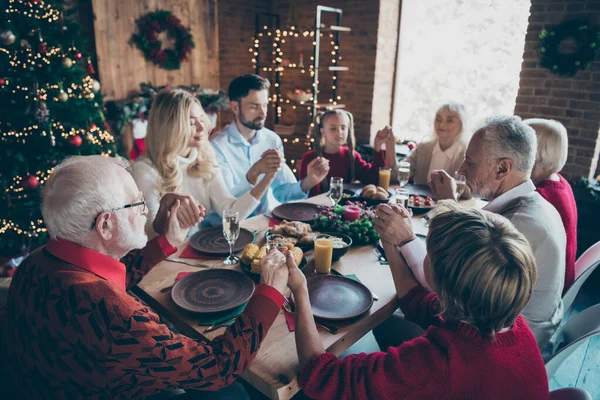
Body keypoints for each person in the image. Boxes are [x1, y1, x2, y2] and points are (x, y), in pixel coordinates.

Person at [1, 155, 291, 399]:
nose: (145, 210)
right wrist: (270, 291)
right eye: (136, 203)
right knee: (235, 394)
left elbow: (102, 286)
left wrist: (168, 241)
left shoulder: (38, 261)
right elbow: (219, 368)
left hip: (44, 383)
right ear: (105, 225)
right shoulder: (118, 316)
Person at [288, 201, 548, 399]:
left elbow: (322, 377)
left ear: (438, 275)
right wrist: (391, 244)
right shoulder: (502, 317)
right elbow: (416, 301)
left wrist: (300, 291)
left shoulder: (438, 365)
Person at [423, 115, 565, 351]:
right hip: (516, 330)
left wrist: (445, 208)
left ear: (502, 168)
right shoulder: (537, 203)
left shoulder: (513, 225)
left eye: (470, 162)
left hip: (505, 348)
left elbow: (439, 279)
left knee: (394, 313)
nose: (460, 169)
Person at [132, 89, 278, 239]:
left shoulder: (204, 156)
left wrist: (267, 178)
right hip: (165, 256)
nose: (202, 128)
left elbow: (230, 210)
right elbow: (149, 233)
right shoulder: (144, 169)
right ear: (169, 127)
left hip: (195, 248)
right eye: (191, 123)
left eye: (202, 119)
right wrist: (166, 207)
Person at [207, 74, 329, 224]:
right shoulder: (216, 146)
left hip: (263, 223)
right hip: (225, 230)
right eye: (254, 106)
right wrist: (253, 173)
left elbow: (281, 192)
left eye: (264, 105)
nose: (263, 113)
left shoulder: (272, 139)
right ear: (235, 107)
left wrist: (309, 181)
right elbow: (227, 206)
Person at [525, 118, 578, 294]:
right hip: (562, 275)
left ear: (535, 152)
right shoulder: (560, 182)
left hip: (548, 285)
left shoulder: (543, 195)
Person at [298, 110, 397, 196]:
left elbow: (374, 179)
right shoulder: (310, 159)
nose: (339, 132)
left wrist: (378, 146)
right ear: (322, 132)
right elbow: (307, 195)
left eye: (343, 127)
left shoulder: (350, 155)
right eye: (333, 128)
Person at [404, 102, 470, 190]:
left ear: (462, 124)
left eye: (449, 120)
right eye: (438, 119)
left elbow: (469, 191)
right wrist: (389, 145)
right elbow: (398, 174)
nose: (441, 124)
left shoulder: (468, 154)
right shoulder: (424, 147)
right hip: (419, 202)